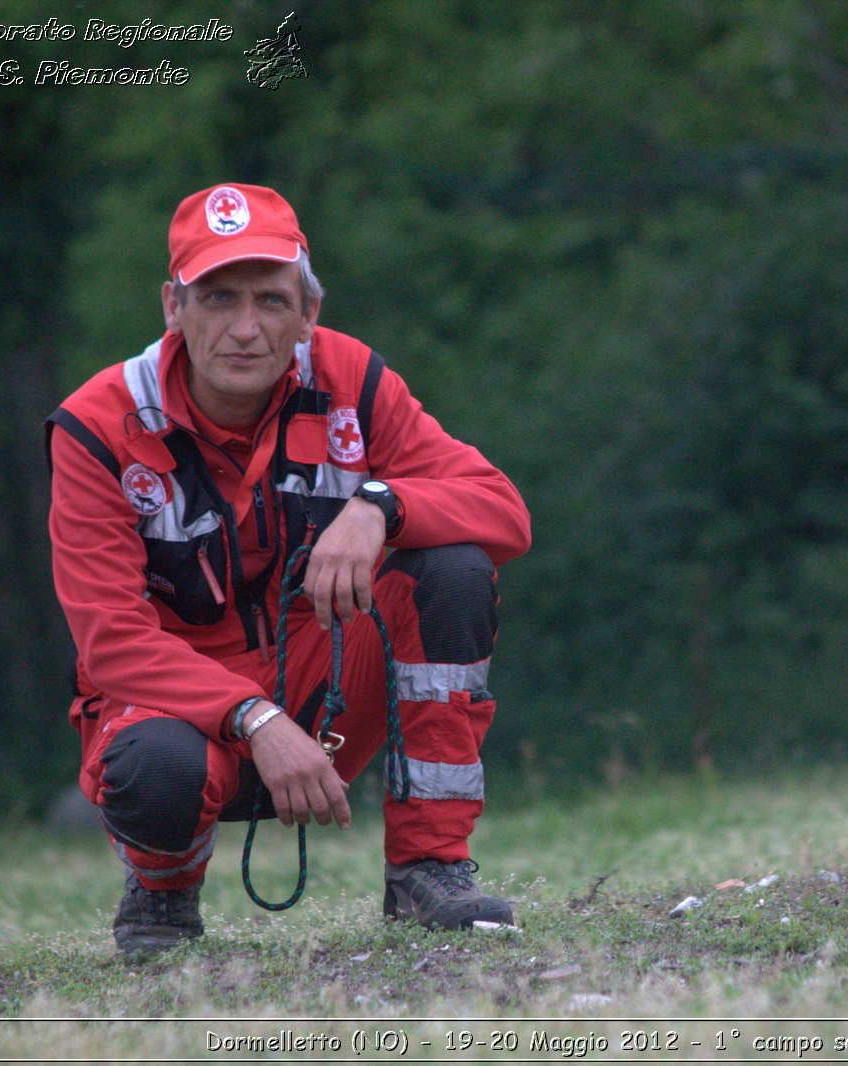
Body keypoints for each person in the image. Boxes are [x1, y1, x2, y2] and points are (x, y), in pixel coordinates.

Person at [46, 183, 532, 955]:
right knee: (155, 766)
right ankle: (163, 893)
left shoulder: (353, 380)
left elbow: (503, 510)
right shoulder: (95, 426)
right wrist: (255, 718)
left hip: (325, 695)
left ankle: (427, 867)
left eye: (271, 301)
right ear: (173, 307)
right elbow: (110, 642)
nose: (245, 329)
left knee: (454, 568)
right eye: (217, 298)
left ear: (308, 313)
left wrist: (379, 507)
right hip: (173, 715)